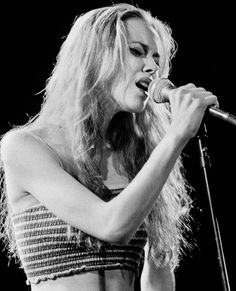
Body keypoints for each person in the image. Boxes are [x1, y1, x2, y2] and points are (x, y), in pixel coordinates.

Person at [0, 3, 218, 291]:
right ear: (95, 57)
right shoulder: (26, 146)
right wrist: (177, 135)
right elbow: (111, 226)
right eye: (137, 52)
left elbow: (159, 271)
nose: (152, 68)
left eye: (157, 58)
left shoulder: (142, 153)